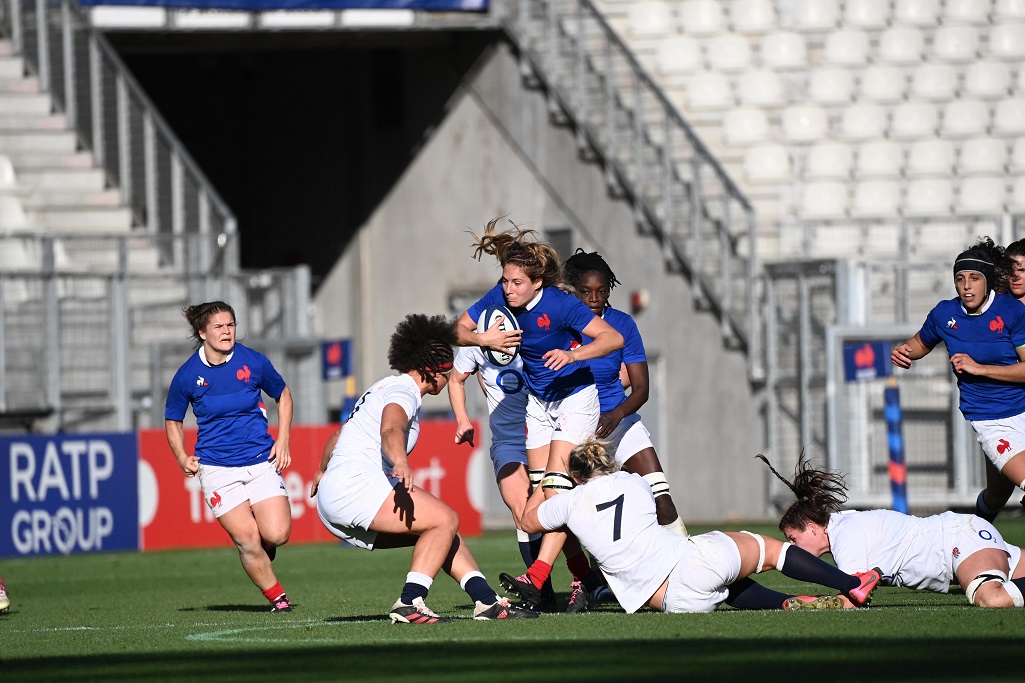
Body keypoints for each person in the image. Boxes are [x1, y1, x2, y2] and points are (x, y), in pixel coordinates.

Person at [311, 313, 537, 623]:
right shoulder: (403, 393)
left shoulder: (383, 387)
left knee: (441, 529)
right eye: (448, 373)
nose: (449, 379)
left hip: (336, 493)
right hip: (355, 489)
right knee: (445, 519)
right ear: (434, 373)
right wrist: (401, 461)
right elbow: (391, 429)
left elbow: (339, 435)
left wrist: (323, 472)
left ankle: (486, 601)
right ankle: (409, 602)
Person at [454, 218, 624, 612]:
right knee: (536, 507)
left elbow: (611, 338)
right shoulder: (499, 298)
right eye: (505, 280)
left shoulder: (561, 304)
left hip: (575, 399)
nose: (507, 288)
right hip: (539, 404)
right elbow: (455, 330)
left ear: (537, 283)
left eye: (515, 282)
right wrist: (484, 338)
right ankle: (587, 577)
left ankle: (538, 576)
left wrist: (573, 354)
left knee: (554, 491)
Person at [518, 440, 882, 613]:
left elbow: (526, 520)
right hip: (692, 560)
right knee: (771, 552)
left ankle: (789, 604)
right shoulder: (633, 480)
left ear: (575, 477)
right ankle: (853, 583)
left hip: (675, 602)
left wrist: (544, 481)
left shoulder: (567, 502)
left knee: (730, 586)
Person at [761, 453, 1025, 608]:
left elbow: (855, 595)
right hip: (964, 533)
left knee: (992, 599)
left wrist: (803, 604)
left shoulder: (844, 535)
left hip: (958, 542)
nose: (793, 548)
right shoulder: (844, 523)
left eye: (793, 539)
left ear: (811, 526)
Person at [164, 301, 294, 613]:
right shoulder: (187, 375)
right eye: (219, 327)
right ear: (202, 333)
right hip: (217, 469)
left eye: (231, 325)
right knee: (247, 540)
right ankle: (278, 599)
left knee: (277, 534)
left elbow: (283, 394)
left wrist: (284, 439)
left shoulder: (253, 361)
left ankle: (267, 547)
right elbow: (173, 421)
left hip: (260, 460)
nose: (227, 331)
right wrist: (181, 455)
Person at [891, 237, 1025, 523]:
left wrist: (980, 368)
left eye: (974, 278)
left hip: (1023, 408)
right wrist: (904, 351)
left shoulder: (1011, 311)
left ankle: (975, 535)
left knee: (996, 496)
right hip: (992, 420)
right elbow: (920, 342)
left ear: (987, 281)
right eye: (960, 278)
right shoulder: (945, 314)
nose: (966, 286)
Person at [562, 249, 687, 537]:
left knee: (662, 500)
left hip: (621, 420)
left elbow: (641, 388)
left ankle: (687, 561)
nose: (594, 298)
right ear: (572, 291)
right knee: (596, 513)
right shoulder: (560, 326)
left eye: (601, 291)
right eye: (585, 291)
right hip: (580, 428)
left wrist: (617, 413)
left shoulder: (622, 324)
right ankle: (601, 580)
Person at [447, 342, 558, 611]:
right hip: (509, 443)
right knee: (522, 512)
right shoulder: (477, 339)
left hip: (550, 435)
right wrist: (463, 419)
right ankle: (541, 592)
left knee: (560, 505)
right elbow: (455, 379)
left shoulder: (537, 329)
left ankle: (587, 581)